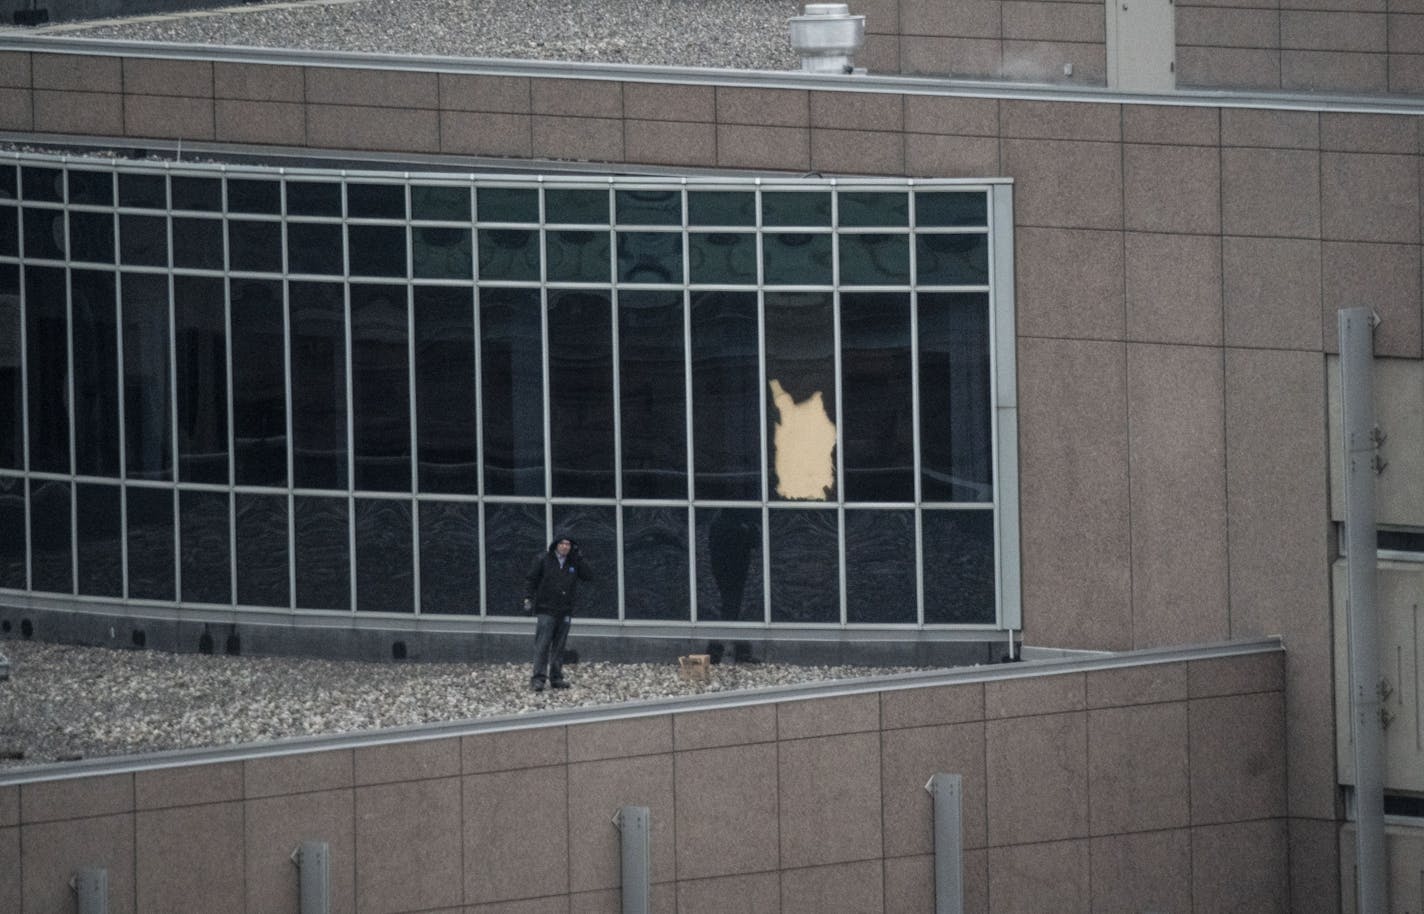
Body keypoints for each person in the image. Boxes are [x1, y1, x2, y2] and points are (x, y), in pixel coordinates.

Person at [523, 534, 593, 691]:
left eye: (568, 544)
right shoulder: (543, 559)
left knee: (559, 646)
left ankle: (556, 677)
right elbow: (531, 580)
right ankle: (538, 678)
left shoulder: (573, 562)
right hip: (546, 609)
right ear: (556, 545)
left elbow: (588, 576)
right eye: (562, 543)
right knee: (542, 644)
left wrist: (579, 558)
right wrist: (528, 599)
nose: (565, 546)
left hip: (565, 610)